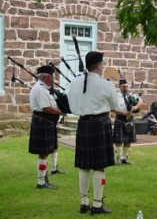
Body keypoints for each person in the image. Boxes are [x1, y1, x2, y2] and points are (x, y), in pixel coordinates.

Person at [65, 51, 130, 215]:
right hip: (101, 124)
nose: (104, 67)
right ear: (98, 66)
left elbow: (67, 102)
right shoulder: (106, 84)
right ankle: (97, 204)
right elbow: (115, 105)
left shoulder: (75, 82)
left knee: (84, 166)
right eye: (103, 64)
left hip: (83, 124)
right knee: (99, 167)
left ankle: (83, 202)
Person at [29, 65, 64, 189]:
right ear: (46, 77)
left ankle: (43, 178)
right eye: (51, 76)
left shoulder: (44, 87)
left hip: (46, 122)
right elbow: (46, 108)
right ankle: (41, 182)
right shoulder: (40, 89)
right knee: (44, 153)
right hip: (43, 121)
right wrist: (61, 111)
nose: (53, 79)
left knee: (46, 152)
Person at [113, 79, 144, 165]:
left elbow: (141, 101)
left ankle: (125, 158)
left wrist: (135, 107)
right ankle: (119, 158)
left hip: (129, 118)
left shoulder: (131, 95)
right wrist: (123, 113)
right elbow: (113, 109)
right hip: (120, 118)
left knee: (128, 140)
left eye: (127, 86)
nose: (126, 88)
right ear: (119, 87)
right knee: (118, 140)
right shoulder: (116, 96)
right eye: (123, 87)